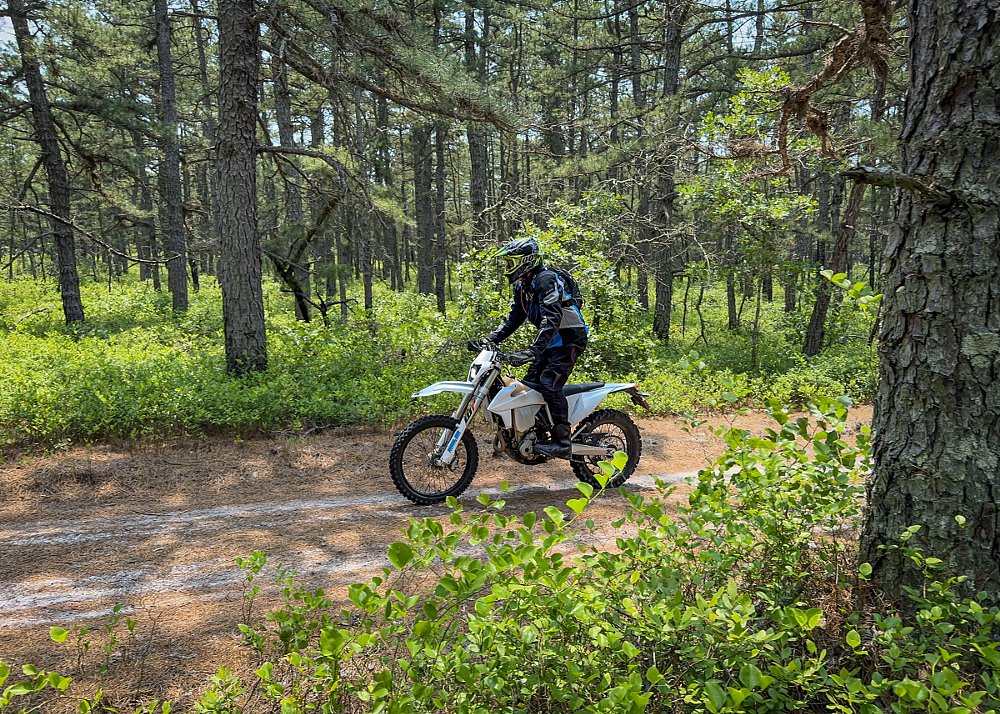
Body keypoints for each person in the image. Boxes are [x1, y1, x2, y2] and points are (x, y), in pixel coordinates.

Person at [479, 237, 588, 459]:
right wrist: (490, 339)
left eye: (511, 262)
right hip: (551, 341)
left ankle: (563, 442)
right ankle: (535, 435)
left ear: (526, 261)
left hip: (569, 339)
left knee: (549, 383)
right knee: (530, 386)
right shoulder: (523, 286)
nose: (508, 267)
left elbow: (552, 318)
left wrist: (533, 350)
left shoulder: (545, 280)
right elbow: (514, 319)